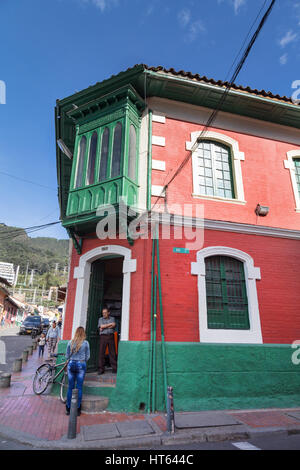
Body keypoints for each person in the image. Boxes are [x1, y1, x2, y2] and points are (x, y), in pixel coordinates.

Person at [65, 326, 90, 416]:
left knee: (70, 387)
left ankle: (68, 408)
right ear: (83, 333)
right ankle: (78, 409)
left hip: (71, 364)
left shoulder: (70, 342)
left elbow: (67, 356)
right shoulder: (86, 343)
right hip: (81, 365)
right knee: (79, 387)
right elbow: (88, 356)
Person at [97, 307, 117, 375]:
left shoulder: (112, 318)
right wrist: (109, 325)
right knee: (101, 353)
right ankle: (101, 369)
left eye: (105, 313)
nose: (104, 314)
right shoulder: (100, 319)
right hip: (103, 337)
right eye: (103, 313)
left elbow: (113, 325)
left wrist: (104, 327)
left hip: (111, 336)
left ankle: (114, 368)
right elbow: (101, 326)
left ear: (109, 313)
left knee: (112, 352)